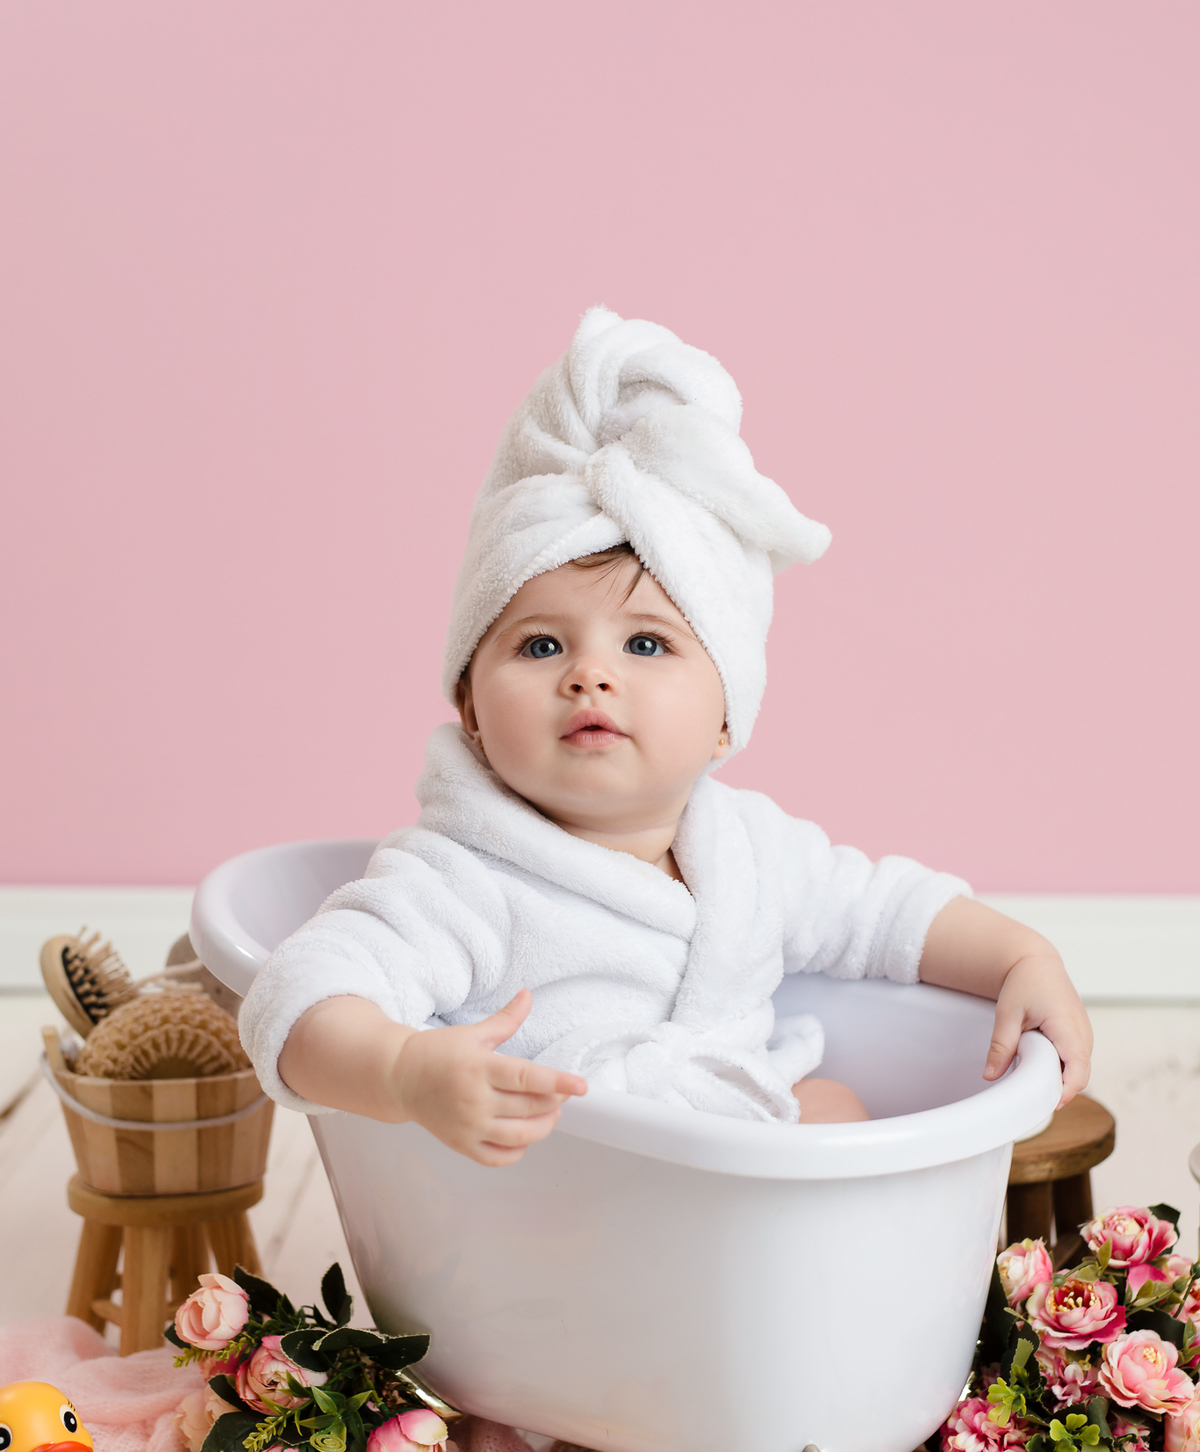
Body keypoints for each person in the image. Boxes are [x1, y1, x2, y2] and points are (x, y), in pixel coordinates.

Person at [240, 309, 1091, 1167]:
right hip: (566, 1201)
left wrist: (1024, 955)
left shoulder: (750, 850)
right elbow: (303, 991)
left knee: (832, 1110)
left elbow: (889, 915)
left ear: (728, 718)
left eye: (646, 644)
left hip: (734, 1163)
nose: (589, 675)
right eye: (540, 646)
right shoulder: (462, 877)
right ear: (468, 705)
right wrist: (401, 1071)